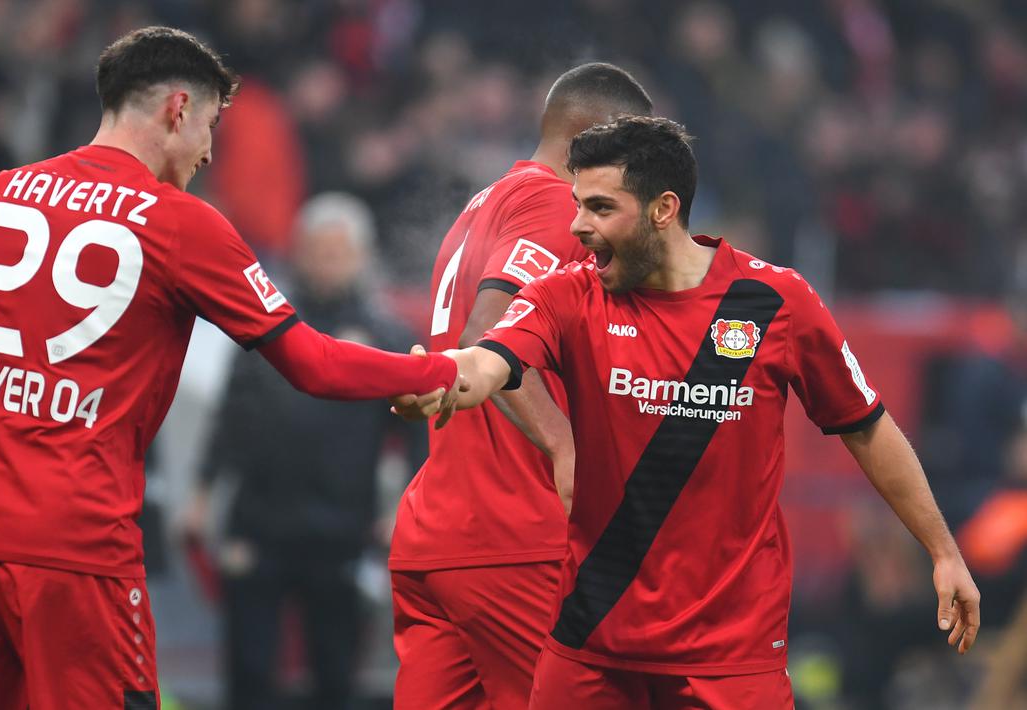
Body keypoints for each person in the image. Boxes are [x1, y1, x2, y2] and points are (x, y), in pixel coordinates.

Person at [0, 27, 460, 709]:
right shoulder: (183, 227)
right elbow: (313, 364)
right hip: (77, 555)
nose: (207, 152)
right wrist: (436, 373)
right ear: (177, 109)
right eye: (209, 127)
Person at [393, 116, 981, 708]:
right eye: (577, 206)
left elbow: (867, 427)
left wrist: (942, 552)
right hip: (591, 649)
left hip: (730, 657)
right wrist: (440, 377)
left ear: (662, 209)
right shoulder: (566, 295)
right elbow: (490, 360)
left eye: (599, 208)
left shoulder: (772, 303)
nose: (578, 227)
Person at [388, 63, 653, 709]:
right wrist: (567, 447)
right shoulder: (551, 203)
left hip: (440, 533)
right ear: (594, 139)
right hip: (514, 533)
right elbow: (490, 334)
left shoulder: (487, 201)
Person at [193, 192, 426, 710]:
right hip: (259, 521)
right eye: (316, 251)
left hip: (342, 527)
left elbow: (418, 435)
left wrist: (404, 507)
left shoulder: (387, 334)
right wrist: (203, 491)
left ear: (362, 258)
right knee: (250, 671)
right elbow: (231, 415)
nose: (325, 263)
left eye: (337, 252)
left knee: (335, 672)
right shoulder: (264, 324)